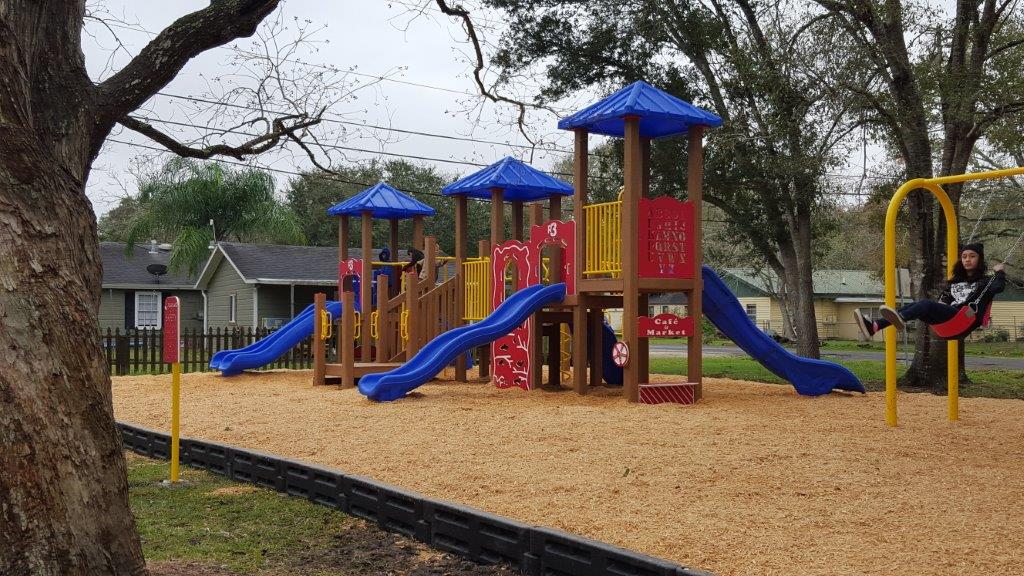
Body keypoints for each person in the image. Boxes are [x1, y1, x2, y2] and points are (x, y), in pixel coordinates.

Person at [855, 243, 1006, 338]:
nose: (967, 259)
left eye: (972, 256)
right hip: (947, 320)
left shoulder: (986, 282)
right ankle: (875, 326)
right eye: (964, 256)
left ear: (980, 260)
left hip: (964, 319)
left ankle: (898, 318)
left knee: (926, 304)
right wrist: (941, 306)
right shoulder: (954, 282)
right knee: (919, 305)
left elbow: (998, 287)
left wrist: (999, 272)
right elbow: (945, 299)